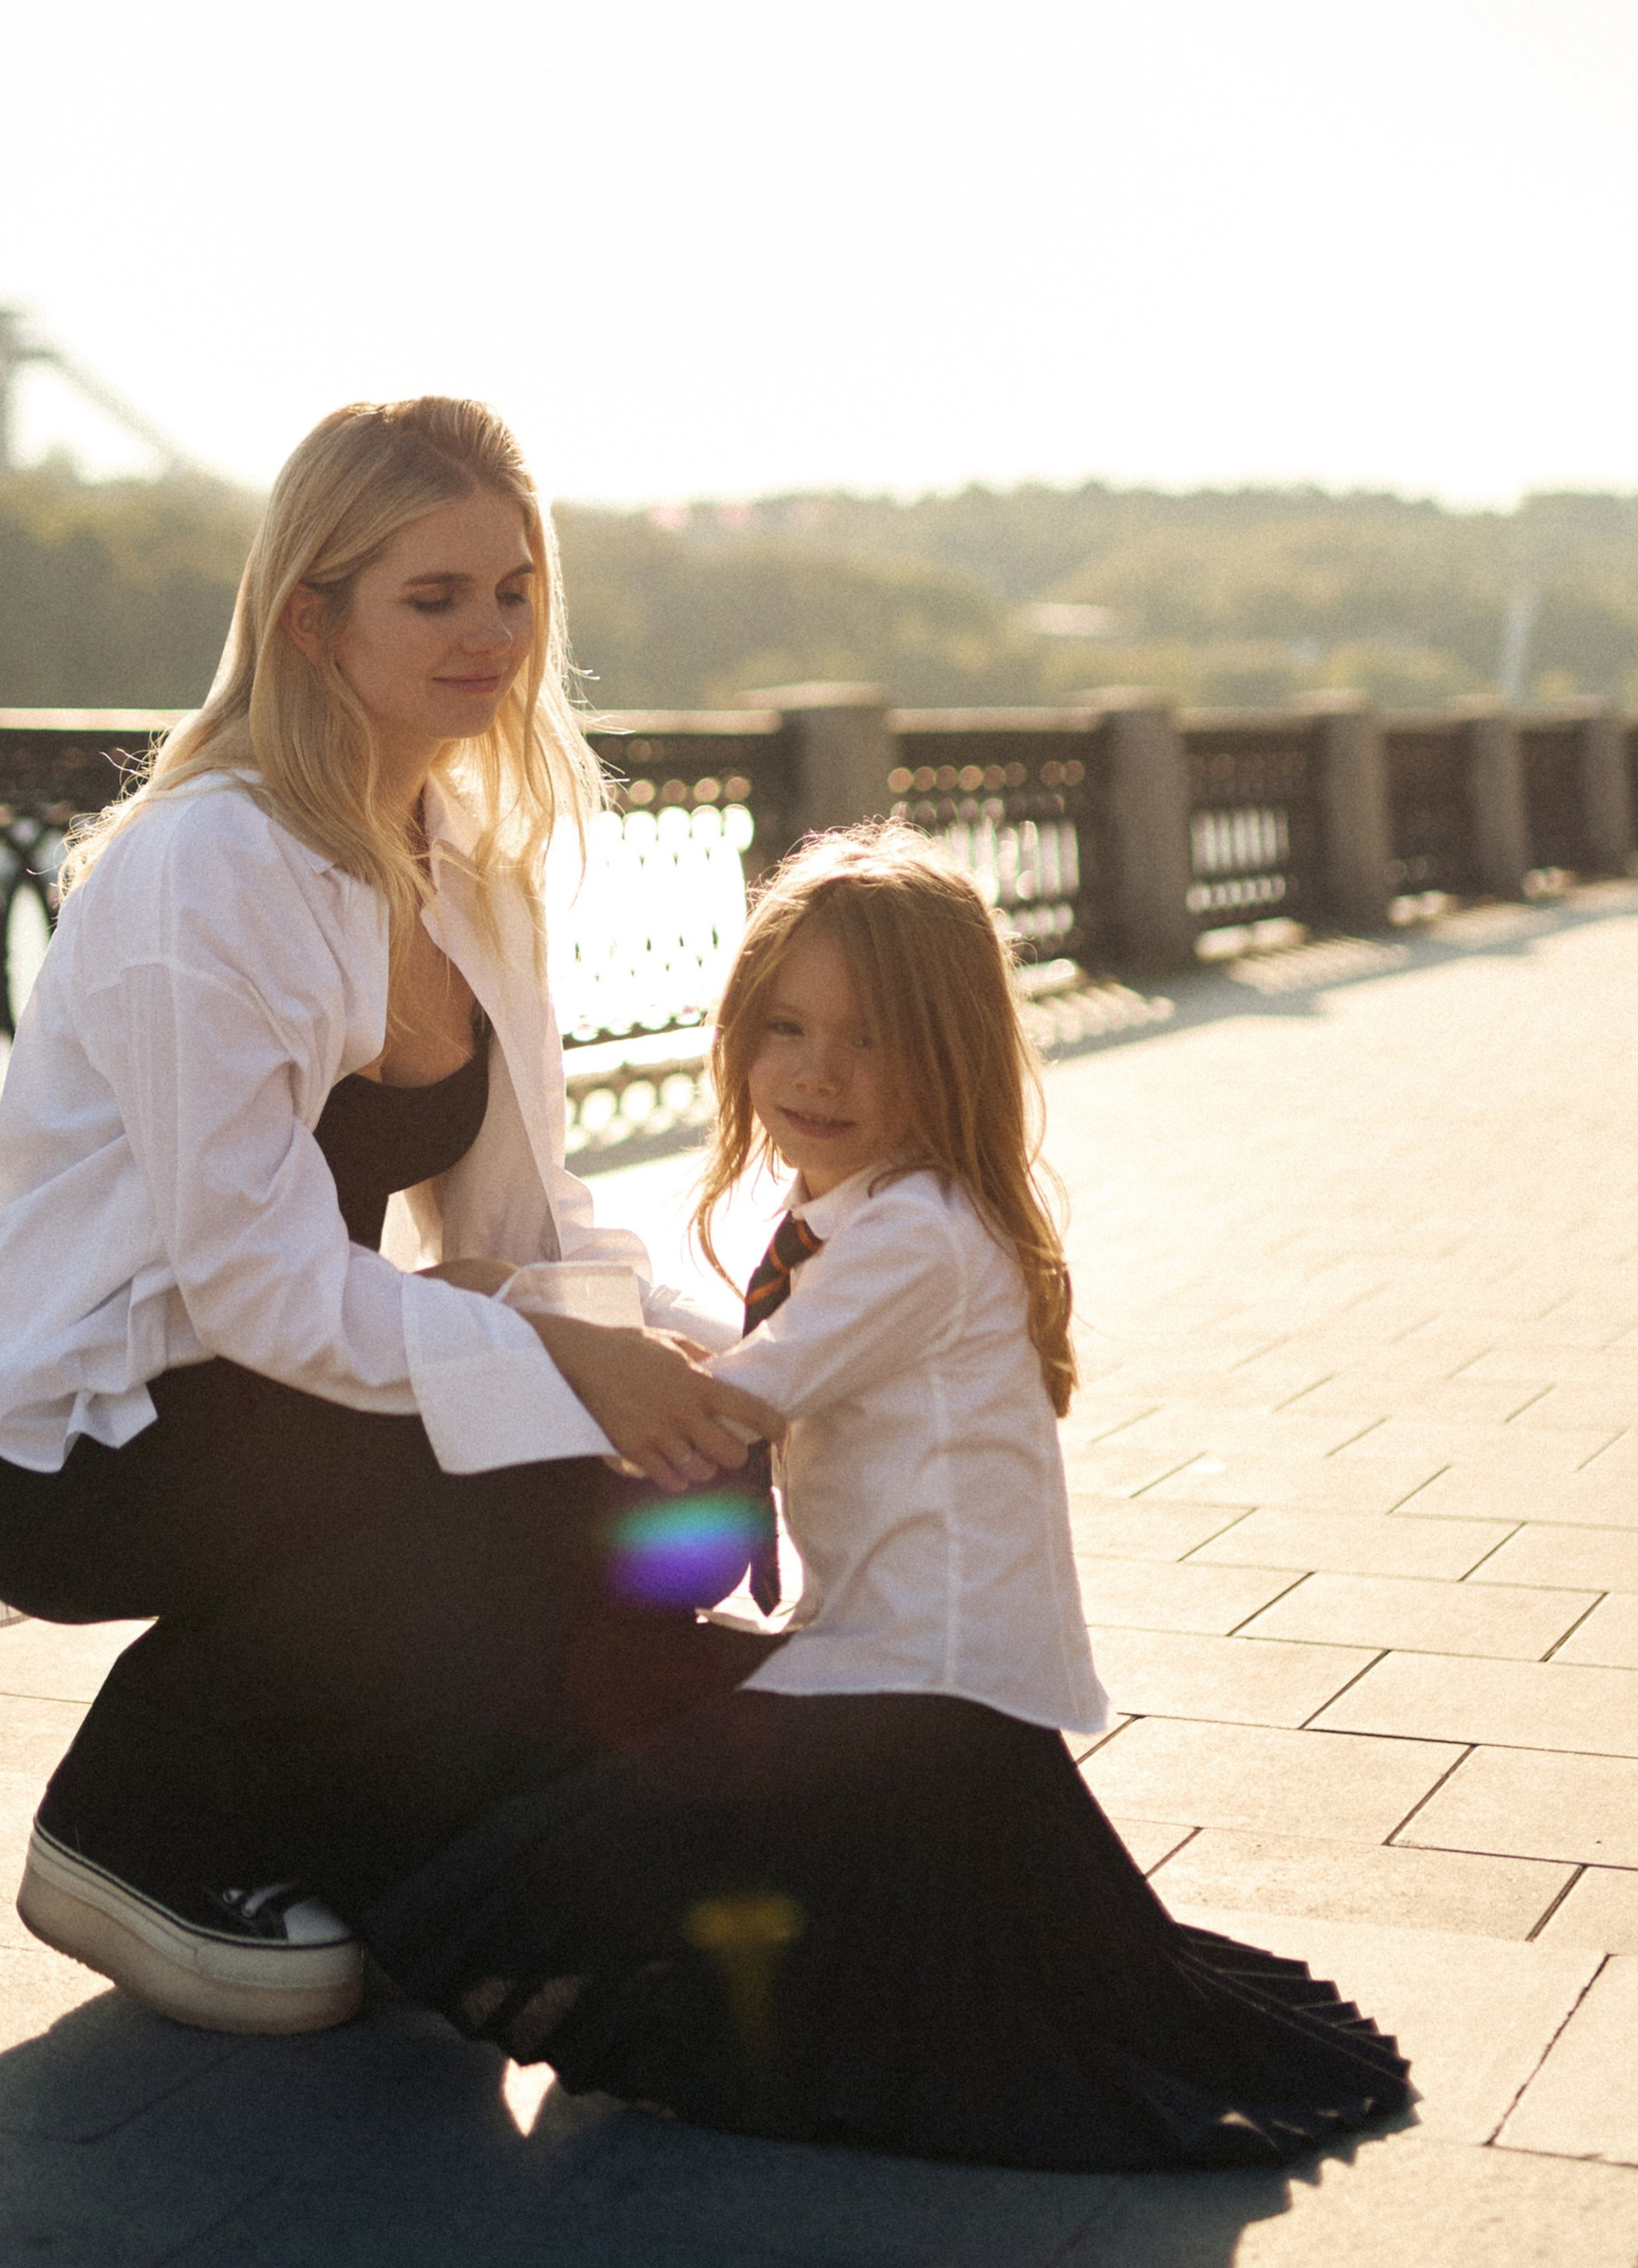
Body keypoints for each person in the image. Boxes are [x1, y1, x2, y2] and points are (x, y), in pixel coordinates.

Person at [361, 826, 1414, 2170]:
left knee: (548, 1847)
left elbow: (725, 1410)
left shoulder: (917, 1234)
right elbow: (743, 1373)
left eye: (874, 1040)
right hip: (901, 1671)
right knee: (618, 1734)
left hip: (927, 1698)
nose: (820, 1073)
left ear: (955, 1052)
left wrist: (500, 1307)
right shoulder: (858, 1213)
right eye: (787, 1028)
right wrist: (636, 1353)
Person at [0, 397, 756, 2034]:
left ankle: (401, 1823)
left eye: (512, 590)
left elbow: (523, 1224)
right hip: (79, 1431)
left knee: (674, 1480)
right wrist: (580, 1382)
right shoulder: (206, 868)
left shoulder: (471, 864)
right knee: (525, 1463)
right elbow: (259, 1290)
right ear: (312, 614)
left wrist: (725, 1360)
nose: (490, 635)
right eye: (431, 598)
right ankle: (131, 1825)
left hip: (268, 1393)